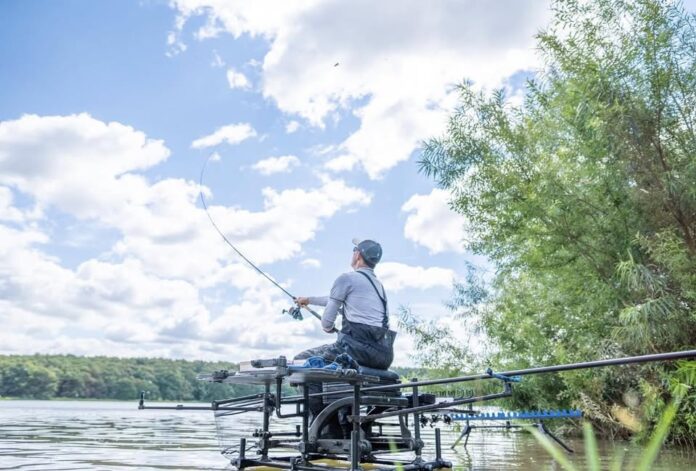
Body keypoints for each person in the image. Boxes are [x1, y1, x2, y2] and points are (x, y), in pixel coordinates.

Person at [294, 238, 395, 371]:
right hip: (382, 356)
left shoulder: (346, 279)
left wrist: (329, 327)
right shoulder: (378, 286)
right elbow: (334, 299)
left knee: (300, 361)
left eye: (354, 250)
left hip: (355, 351)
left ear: (358, 255)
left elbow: (326, 324)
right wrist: (308, 300)